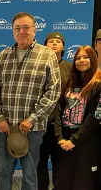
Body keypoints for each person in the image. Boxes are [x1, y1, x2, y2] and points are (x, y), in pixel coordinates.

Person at [0, 12, 61, 190]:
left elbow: (53, 91)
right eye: (17, 28)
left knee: (30, 175)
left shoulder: (47, 55)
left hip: (33, 129)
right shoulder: (4, 56)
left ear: (34, 30)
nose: (22, 31)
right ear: (13, 31)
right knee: (3, 172)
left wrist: (32, 119)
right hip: (5, 128)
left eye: (26, 27)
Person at [54, 45, 101, 190]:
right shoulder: (70, 83)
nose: (81, 60)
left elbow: (95, 117)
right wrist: (60, 137)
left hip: (87, 142)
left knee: (83, 183)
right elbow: (59, 110)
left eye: (86, 57)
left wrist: (74, 140)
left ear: (93, 60)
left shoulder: (97, 84)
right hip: (66, 140)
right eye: (78, 58)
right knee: (62, 181)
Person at [37, 32, 72, 190]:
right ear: (45, 45)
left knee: (60, 162)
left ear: (63, 46)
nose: (54, 44)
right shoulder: (38, 65)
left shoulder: (70, 68)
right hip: (41, 122)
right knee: (40, 161)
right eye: (50, 41)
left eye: (58, 41)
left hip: (62, 125)